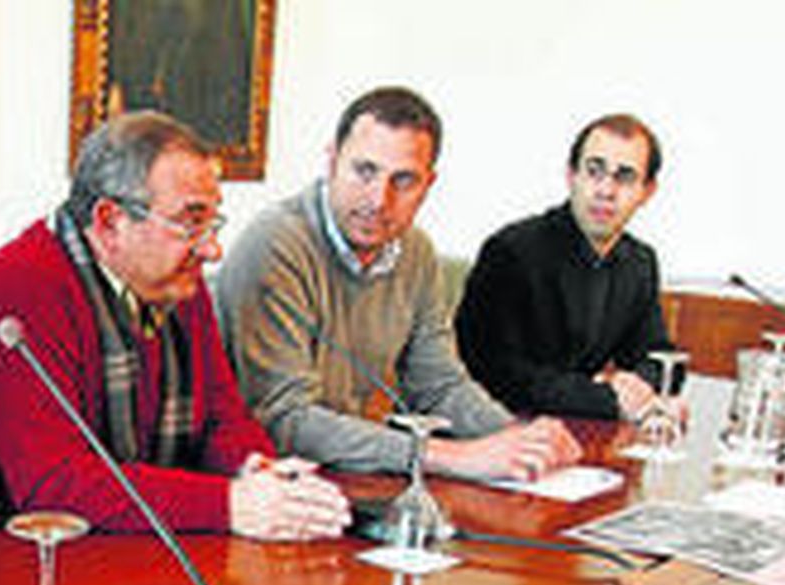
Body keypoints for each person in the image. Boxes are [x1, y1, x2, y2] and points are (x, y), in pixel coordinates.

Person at [0, 111, 349, 540]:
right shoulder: (18, 289)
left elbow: (219, 418)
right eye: (190, 223)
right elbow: (55, 484)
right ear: (109, 221)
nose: (212, 250)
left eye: (212, 222)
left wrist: (256, 470)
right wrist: (231, 505)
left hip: (105, 543)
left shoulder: (175, 284)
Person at [216, 87, 581, 482]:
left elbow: (439, 385)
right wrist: (452, 456)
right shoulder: (277, 242)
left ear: (429, 184)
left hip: (343, 478)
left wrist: (517, 438)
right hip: (263, 485)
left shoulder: (415, 251)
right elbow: (284, 422)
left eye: (403, 180)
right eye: (364, 171)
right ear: (332, 161)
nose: (379, 200)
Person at [456, 114, 677, 421]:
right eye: (594, 171)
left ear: (647, 191)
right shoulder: (512, 250)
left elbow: (661, 357)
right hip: (496, 427)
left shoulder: (639, 262)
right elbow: (496, 374)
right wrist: (606, 398)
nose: (605, 190)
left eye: (624, 177)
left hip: (576, 429)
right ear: (571, 175)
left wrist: (638, 385)